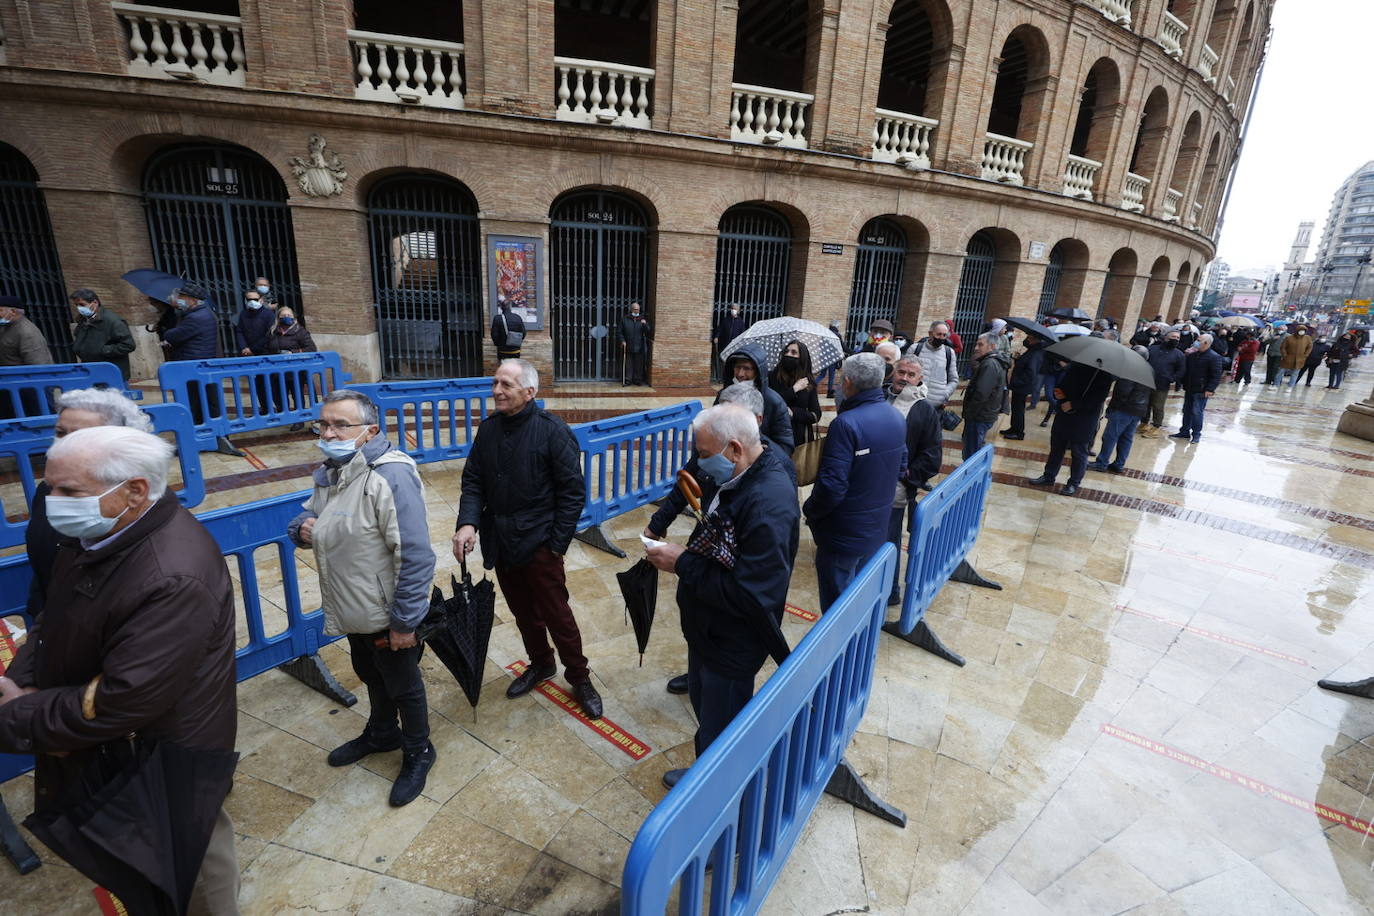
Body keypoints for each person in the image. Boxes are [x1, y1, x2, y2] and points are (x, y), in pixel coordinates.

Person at [0, 426, 240, 913]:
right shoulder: (99, 535)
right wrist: (25, 676)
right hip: (120, 750)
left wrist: (22, 710)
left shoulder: (172, 574)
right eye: (50, 487)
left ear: (134, 491)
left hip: (160, 756)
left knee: (187, 870)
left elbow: (126, 696)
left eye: (70, 491)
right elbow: (56, 616)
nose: (51, 502)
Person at [288, 390, 437, 806]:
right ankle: (382, 733)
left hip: (385, 611)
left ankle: (418, 750)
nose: (328, 432)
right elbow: (312, 513)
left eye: (339, 425)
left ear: (370, 430)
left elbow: (416, 554)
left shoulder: (390, 475)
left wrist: (405, 622)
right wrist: (300, 527)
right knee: (371, 673)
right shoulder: (334, 470)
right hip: (350, 603)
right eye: (323, 424)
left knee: (404, 684)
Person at [646, 404, 798, 789]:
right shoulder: (736, 474)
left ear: (734, 448)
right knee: (707, 714)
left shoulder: (767, 503)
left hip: (733, 641)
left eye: (703, 453)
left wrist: (682, 562)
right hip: (708, 629)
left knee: (724, 726)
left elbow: (752, 594)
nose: (698, 462)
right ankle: (705, 774)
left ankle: (723, 798)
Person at [452, 360, 603, 719]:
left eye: (506, 384)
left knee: (557, 615)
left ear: (530, 392)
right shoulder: (488, 430)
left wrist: (555, 546)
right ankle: (541, 663)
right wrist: (468, 523)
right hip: (501, 542)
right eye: (495, 383)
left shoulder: (553, 431)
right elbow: (473, 480)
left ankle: (579, 677)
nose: (497, 391)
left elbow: (572, 493)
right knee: (522, 612)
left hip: (540, 544)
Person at [24, 388, 154, 621]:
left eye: (86, 437)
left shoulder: (133, 507)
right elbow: (44, 564)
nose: (68, 446)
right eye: (61, 433)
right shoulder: (48, 488)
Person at [803, 353, 905, 611]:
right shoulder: (894, 416)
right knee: (859, 598)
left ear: (847, 382)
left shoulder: (845, 424)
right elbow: (902, 466)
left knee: (837, 606)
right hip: (875, 526)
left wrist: (810, 511)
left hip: (843, 532)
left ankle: (841, 651)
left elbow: (832, 486)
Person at [886, 357, 942, 605]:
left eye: (911, 375)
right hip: (867, 485)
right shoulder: (879, 397)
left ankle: (890, 592)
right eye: (901, 372)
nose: (905, 378)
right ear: (893, 373)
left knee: (889, 541)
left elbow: (932, 455)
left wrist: (907, 477)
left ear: (919, 380)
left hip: (895, 490)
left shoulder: (925, 410)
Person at [1028, 362, 1113, 495]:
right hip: (1064, 415)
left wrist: (1074, 404)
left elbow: (1097, 400)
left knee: (1079, 453)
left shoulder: (1104, 376)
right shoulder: (1075, 367)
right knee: (1056, 447)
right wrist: (1059, 393)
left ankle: (1073, 483)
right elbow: (1064, 384)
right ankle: (1049, 476)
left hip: (1084, 420)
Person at [722, 344, 795, 454]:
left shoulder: (774, 402)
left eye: (747, 368)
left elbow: (786, 447)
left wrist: (758, 443)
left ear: (758, 371)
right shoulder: (724, 396)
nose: (740, 374)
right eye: (737, 367)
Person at [1089, 347, 1151, 473]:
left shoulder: (1130, 369)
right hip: (1138, 409)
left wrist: (1112, 408)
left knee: (1110, 436)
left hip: (1124, 409)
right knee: (1126, 437)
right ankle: (1119, 464)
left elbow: (1123, 391)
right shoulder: (1149, 369)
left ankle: (1102, 462)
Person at [68, 288, 136, 380]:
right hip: (91, 370)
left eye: (82, 304)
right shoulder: (82, 320)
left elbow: (128, 345)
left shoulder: (113, 321)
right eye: (76, 305)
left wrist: (103, 350)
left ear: (95, 303)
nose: (79, 308)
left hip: (111, 372)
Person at [961, 332, 1010, 459]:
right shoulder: (992, 362)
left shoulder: (990, 364)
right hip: (983, 414)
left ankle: (971, 475)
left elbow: (981, 393)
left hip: (979, 416)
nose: (976, 348)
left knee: (971, 453)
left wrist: (970, 413)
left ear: (992, 346)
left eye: (980, 344)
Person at [1170, 333, 1225, 443]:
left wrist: (1210, 389)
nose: (1196, 342)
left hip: (1202, 390)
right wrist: (1180, 382)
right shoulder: (1192, 355)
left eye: (1199, 340)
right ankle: (1184, 431)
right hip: (1190, 387)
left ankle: (1196, 434)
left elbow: (1216, 375)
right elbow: (1186, 371)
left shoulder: (1214, 357)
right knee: (1186, 410)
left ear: (1206, 343)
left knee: (1197, 412)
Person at [768, 339, 822, 445]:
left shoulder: (808, 382)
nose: (788, 354)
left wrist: (793, 413)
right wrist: (794, 389)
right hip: (776, 436)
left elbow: (816, 414)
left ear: (802, 357)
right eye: (786, 351)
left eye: (793, 352)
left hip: (800, 438)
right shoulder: (772, 377)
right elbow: (771, 404)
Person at [1140, 329, 1185, 437]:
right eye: (1173, 337)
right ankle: (1144, 423)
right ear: (1166, 337)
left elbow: (1181, 370)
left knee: (1158, 405)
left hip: (1162, 384)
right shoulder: (1153, 349)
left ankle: (1156, 426)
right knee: (1145, 403)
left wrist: (1171, 378)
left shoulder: (1179, 354)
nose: (1175, 339)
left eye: (1178, 338)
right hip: (1147, 381)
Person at [1002, 333, 1047, 440]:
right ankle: (1013, 428)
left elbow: (1030, 371)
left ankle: (1018, 432)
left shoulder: (1036, 352)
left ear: (1034, 339)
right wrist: (1018, 359)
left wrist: (1018, 382)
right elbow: (1025, 363)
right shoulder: (1032, 350)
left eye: (1029, 337)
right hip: (1020, 384)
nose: (1026, 340)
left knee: (1019, 409)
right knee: (1016, 407)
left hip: (1022, 385)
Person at [160, 283, 220, 361]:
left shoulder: (195, 317)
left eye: (181, 297)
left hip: (193, 360)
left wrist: (165, 331)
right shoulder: (205, 312)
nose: (178, 299)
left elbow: (172, 336)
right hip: (200, 358)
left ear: (193, 300)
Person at [906, 321, 959, 407]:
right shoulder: (915, 349)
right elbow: (904, 371)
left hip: (936, 406)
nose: (941, 338)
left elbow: (954, 379)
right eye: (938, 334)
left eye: (944, 335)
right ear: (930, 333)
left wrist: (944, 394)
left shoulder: (949, 353)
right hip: (913, 402)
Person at [0, 295, 54, 366]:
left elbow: (39, 365)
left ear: (13, 311)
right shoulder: (5, 326)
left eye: (0, 310)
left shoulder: (27, 332)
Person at [618, 301, 653, 386]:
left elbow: (648, 331)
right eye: (635, 309)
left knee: (639, 364)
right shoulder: (625, 319)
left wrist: (645, 324)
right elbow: (619, 332)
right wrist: (622, 340)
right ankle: (628, 380)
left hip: (639, 345)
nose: (637, 311)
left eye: (638, 310)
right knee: (628, 364)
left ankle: (637, 379)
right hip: (628, 345)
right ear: (631, 309)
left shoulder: (642, 319)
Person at [234, 287, 275, 357]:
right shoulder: (243, 314)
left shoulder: (269, 314)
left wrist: (252, 349)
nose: (252, 301)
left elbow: (269, 334)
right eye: (249, 299)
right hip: (246, 353)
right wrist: (244, 347)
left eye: (255, 299)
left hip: (264, 352)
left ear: (261, 300)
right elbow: (239, 331)